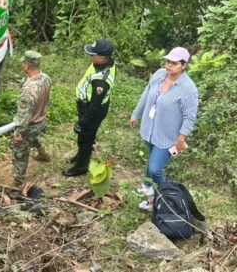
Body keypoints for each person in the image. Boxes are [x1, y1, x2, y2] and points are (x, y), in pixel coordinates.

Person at [129, 47, 198, 211]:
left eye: (174, 63)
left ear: (184, 65)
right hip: (150, 129)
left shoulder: (188, 89)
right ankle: (147, 185)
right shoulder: (159, 74)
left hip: (168, 136)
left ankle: (164, 197)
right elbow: (146, 94)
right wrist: (135, 114)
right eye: (168, 61)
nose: (169, 65)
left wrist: (181, 139)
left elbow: (189, 116)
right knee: (152, 158)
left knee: (155, 168)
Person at [63, 39, 116, 177]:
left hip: (93, 110)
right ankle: (81, 155)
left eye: (93, 55)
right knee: (85, 135)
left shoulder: (101, 82)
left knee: (85, 137)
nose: (90, 57)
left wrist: (81, 122)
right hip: (90, 105)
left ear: (102, 58)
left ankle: (81, 167)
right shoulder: (103, 63)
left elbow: (94, 106)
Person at [12, 51, 52, 185]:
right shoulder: (46, 78)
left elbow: (24, 115)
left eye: (23, 63)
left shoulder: (29, 90)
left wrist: (18, 134)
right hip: (41, 119)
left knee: (20, 154)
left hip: (30, 124)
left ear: (26, 66)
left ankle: (18, 180)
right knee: (34, 136)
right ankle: (43, 154)